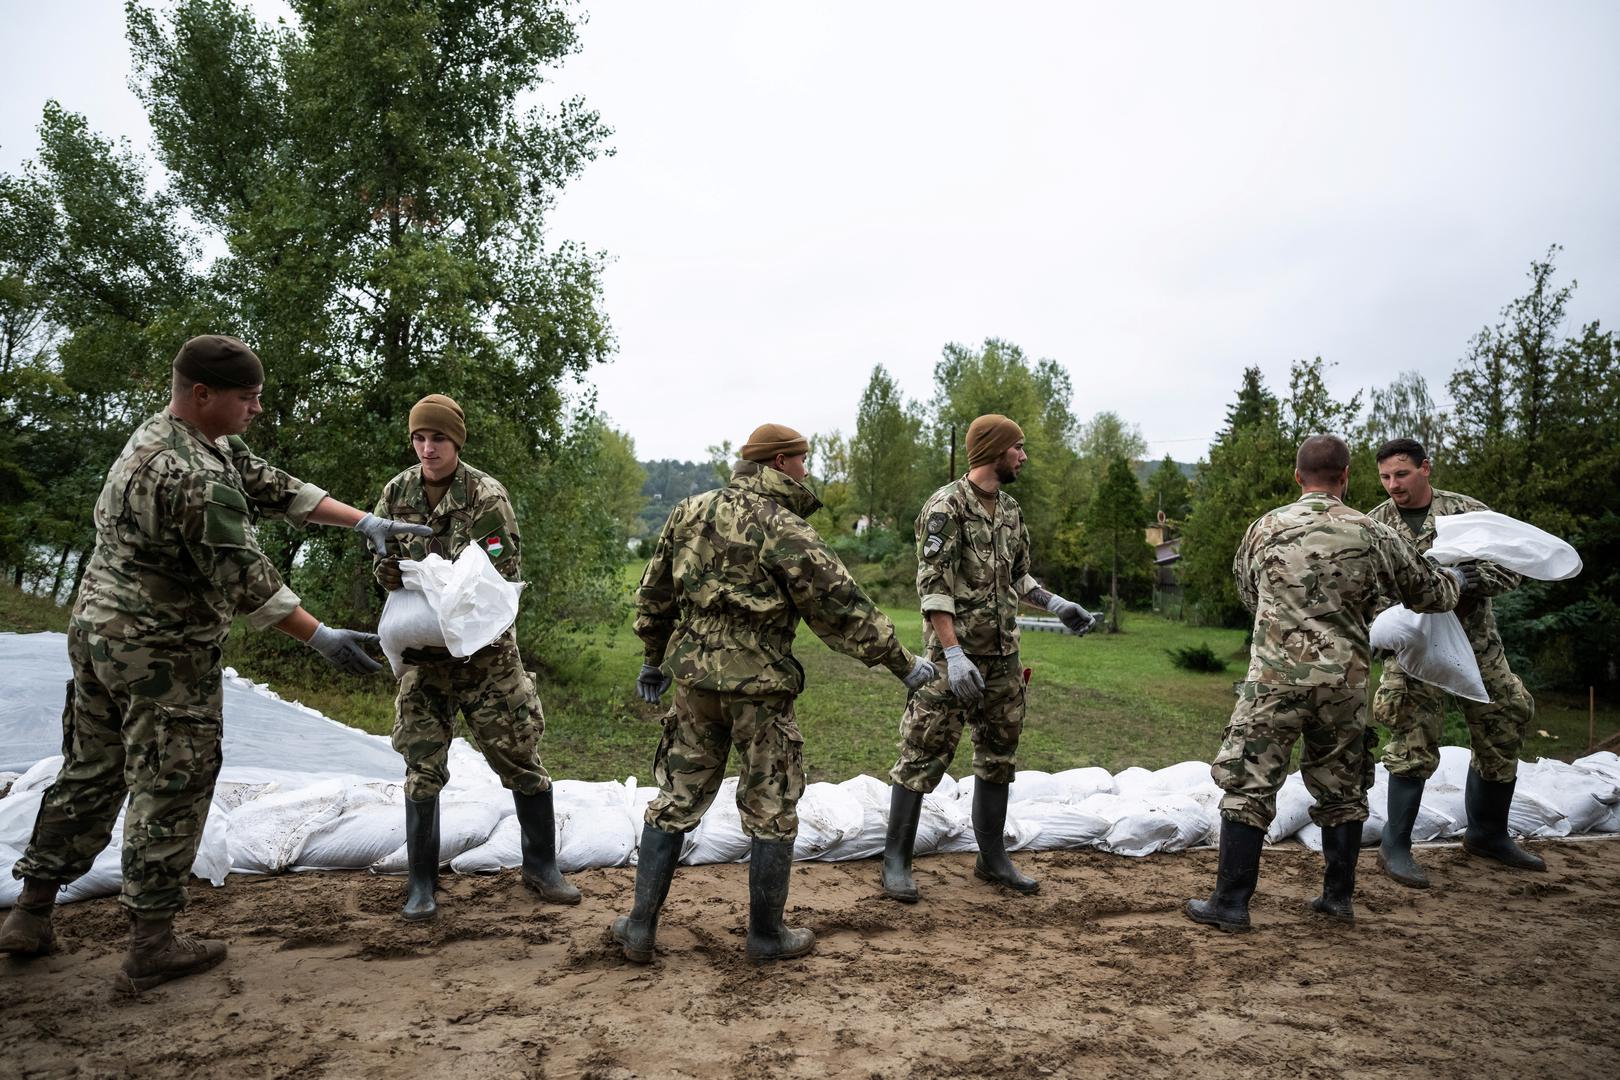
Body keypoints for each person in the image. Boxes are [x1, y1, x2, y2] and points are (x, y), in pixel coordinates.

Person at [0, 335, 428, 992]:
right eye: (248, 399)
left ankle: (30, 914)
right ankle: (151, 941)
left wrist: (361, 520)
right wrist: (322, 638)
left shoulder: (173, 437)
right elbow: (246, 579)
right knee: (172, 781)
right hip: (160, 651)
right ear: (205, 395)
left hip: (97, 632)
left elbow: (267, 483)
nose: (257, 409)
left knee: (89, 769)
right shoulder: (191, 478)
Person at [610, 423, 935, 964]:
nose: (807, 472)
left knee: (674, 800)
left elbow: (654, 594)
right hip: (760, 691)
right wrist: (902, 665)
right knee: (771, 807)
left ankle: (640, 927)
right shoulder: (784, 527)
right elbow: (841, 605)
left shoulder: (689, 511)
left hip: (694, 688)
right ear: (781, 462)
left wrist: (652, 659)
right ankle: (765, 935)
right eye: (803, 462)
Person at [1185, 434, 1464, 933]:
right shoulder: (1373, 532)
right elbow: (1431, 594)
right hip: (1343, 682)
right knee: (1343, 789)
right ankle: (1337, 899)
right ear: (1346, 476)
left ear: (1298, 477)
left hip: (1273, 680)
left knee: (1248, 785)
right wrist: (1457, 579)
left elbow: (1248, 591)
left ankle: (1230, 904)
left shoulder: (1266, 526)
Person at [372, 394, 579, 920]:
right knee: (421, 767)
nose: (427, 448)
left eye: (437, 438)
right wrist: (391, 573)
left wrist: (444, 579)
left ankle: (541, 866)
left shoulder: (486, 495)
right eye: (419, 438)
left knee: (520, 759)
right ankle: (421, 884)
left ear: (455, 441)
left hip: (486, 660)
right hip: (423, 661)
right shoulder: (396, 492)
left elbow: (500, 576)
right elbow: (379, 560)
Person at [880, 414, 1097, 903]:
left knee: (998, 758)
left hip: (1003, 660)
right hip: (951, 659)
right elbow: (933, 589)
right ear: (995, 450)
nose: (1024, 456)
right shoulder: (946, 507)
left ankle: (992, 858)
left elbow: (1020, 578)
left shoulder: (1012, 511)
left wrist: (1057, 605)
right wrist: (954, 655)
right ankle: (895, 861)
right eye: (1018, 447)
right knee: (921, 754)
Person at [1369, 438, 1543, 886]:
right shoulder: (1376, 525)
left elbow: (1512, 565)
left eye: (1402, 474)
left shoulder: (1465, 513)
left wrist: (1463, 578)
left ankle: (1488, 833)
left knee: (1505, 718)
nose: (1393, 485)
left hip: (1477, 646)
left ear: (1425, 468)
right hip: (1413, 652)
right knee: (1412, 737)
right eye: (1386, 477)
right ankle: (1396, 846)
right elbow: (1363, 588)